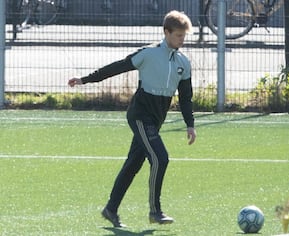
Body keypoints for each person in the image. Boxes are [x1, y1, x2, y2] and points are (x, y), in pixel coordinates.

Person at [68, 10, 196, 227]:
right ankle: (155, 211)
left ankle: (110, 209)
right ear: (166, 32)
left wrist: (190, 124)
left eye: (184, 36)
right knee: (160, 158)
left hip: (156, 120)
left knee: (133, 164)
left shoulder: (183, 62)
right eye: (178, 36)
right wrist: (85, 80)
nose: (182, 40)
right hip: (139, 115)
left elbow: (186, 98)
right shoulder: (148, 54)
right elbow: (118, 67)